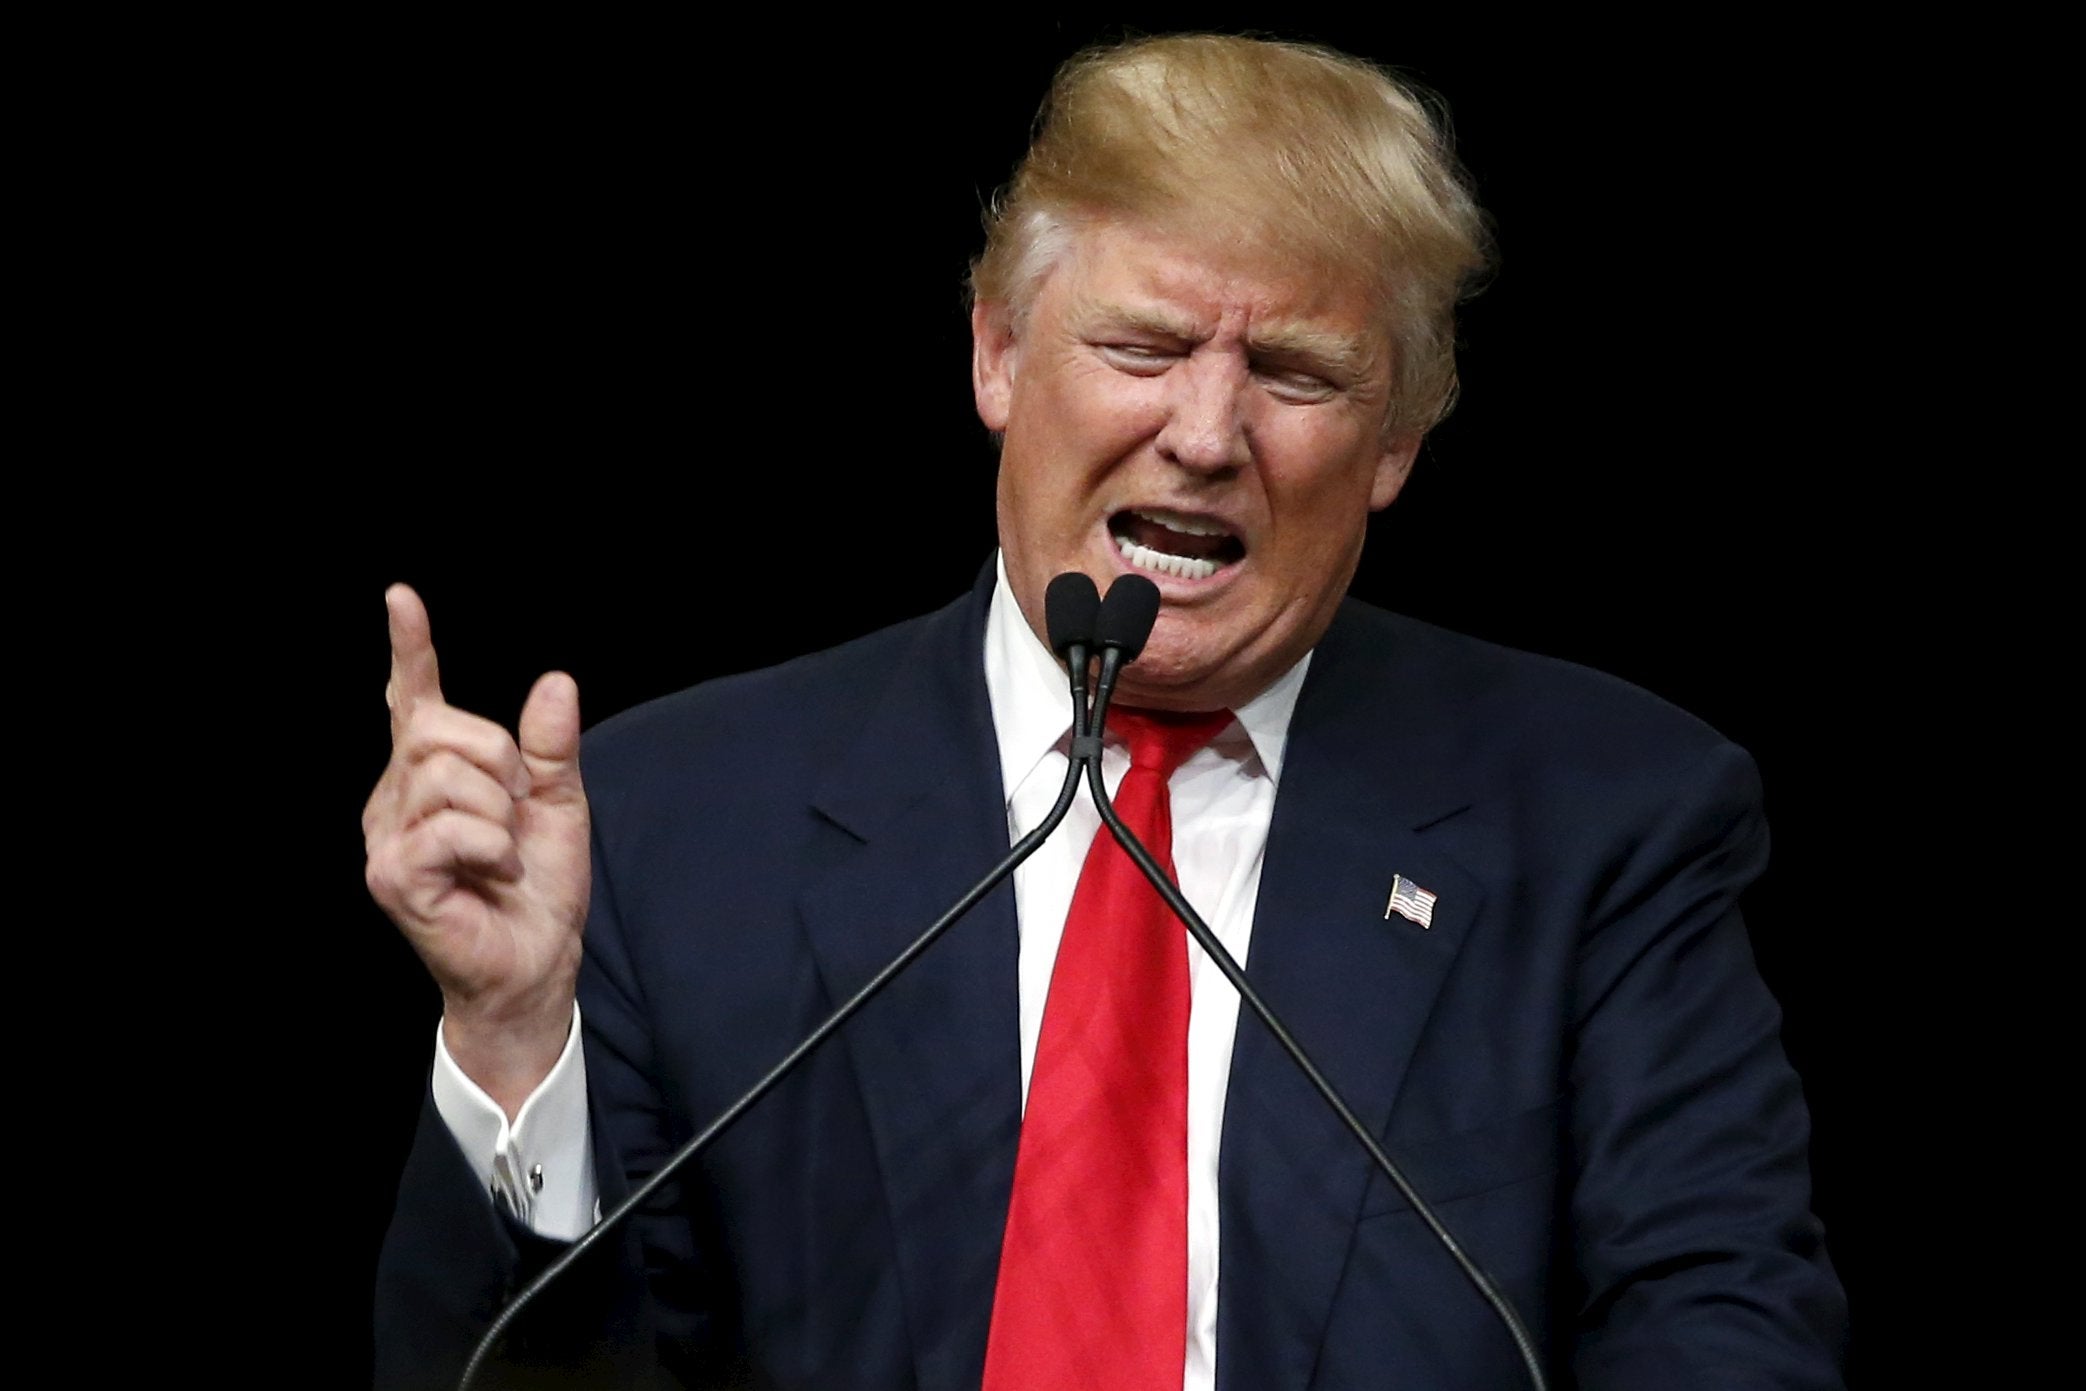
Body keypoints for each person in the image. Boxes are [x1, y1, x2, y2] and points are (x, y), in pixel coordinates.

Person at [366, 34, 1847, 1390]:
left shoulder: (1605, 817)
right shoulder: (675, 819)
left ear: (1397, 439)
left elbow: (1718, 1332)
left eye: (1294, 372)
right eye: (1141, 350)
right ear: (997, 355)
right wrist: (509, 1044)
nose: (1203, 435)